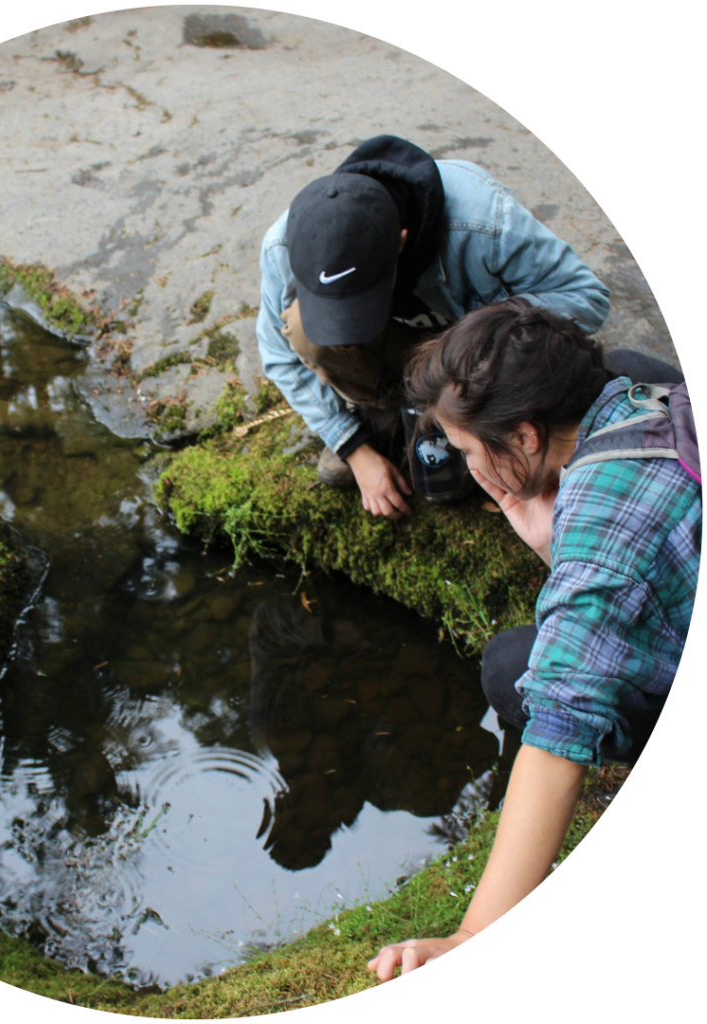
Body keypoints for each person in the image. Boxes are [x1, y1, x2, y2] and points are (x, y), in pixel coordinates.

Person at [366, 297, 699, 980]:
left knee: (510, 665)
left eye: (465, 450)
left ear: (524, 436)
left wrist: (470, 934)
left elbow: (557, 734)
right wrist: (559, 546)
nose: (466, 468)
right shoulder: (646, 396)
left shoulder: (605, 539)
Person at [256, 134, 612, 518]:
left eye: (365, 298)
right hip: (400, 352)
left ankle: (469, 424)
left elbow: (586, 297)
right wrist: (354, 449)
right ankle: (387, 420)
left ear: (401, 243)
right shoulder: (284, 245)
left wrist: (480, 332)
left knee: (487, 397)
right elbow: (277, 356)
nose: (354, 318)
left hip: (470, 352)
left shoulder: (482, 220)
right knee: (304, 331)